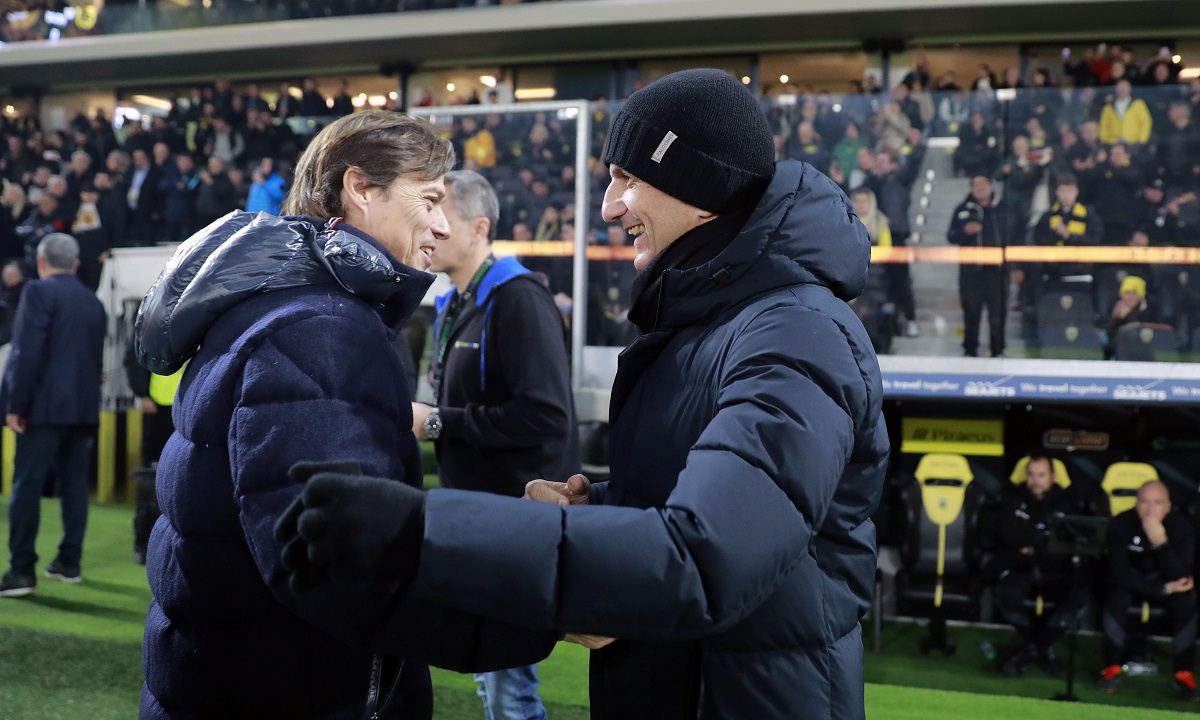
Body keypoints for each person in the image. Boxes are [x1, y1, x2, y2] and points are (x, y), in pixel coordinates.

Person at [279, 69, 889, 720]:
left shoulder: (797, 333)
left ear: (700, 187)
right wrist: (591, 511)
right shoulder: (712, 321)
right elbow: (711, 506)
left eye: (629, 179)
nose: (609, 207)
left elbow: (706, 558)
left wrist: (418, 531)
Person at [132, 111, 555, 720]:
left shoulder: (274, 305)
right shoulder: (321, 327)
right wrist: (533, 607)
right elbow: (338, 564)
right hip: (292, 690)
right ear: (359, 188)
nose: (441, 224)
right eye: (429, 199)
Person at [417, 170, 578, 720]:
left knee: (510, 689)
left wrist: (437, 423)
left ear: (480, 228)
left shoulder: (518, 298)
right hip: (480, 514)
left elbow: (546, 416)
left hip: (513, 517)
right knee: (496, 681)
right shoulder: (454, 300)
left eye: (443, 215)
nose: (432, 227)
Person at [0, 233, 106, 597]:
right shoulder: (93, 301)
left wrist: (15, 405)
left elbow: (25, 354)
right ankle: (69, 562)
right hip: (83, 408)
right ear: (75, 264)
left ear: (41, 261)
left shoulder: (37, 293)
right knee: (75, 486)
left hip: (43, 409)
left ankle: (21, 571)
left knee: (27, 485)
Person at [994, 455, 1091, 677]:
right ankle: (1039, 648)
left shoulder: (1068, 501)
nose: (1035, 480)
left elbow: (1073, 540)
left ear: (1053, 477)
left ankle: (1033, 649)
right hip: (1022, 568)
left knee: (1078, 597)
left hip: (1058, 570)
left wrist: (1032, 542)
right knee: (1006, 594)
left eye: (1041, 475)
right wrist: (1042, 539)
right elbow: (1006, 535)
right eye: (1031, 474)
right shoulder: (1013, 498)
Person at [1099, 481, 1196, 699]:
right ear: (1136, 503)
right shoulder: (1121, 523)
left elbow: (1181, 575)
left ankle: (1184, 672)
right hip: (1136, 585)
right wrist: (1162, 589)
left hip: (1168, 585)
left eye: (1157, 503)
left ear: (1168, 506)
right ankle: (1111, 667)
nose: (1150, 510)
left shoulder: (1181, 527)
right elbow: (1119, 572)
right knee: (1116, 596)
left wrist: (1160, 543)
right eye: (1144, 502)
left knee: (1186, 599)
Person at [948, 174, 1008, 357]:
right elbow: (951, 236)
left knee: (997, 314)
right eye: (976, 184)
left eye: (983, 183)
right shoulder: (962, 209)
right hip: (971, 272)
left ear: (991, 185)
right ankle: (970, 350)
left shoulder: (1003, 209)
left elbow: (1012, 235)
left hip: (997, 272)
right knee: (971, 312)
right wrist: (964, 231)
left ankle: (998, 350)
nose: (980, 187)